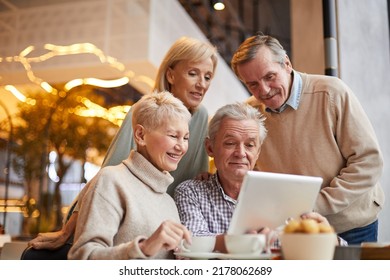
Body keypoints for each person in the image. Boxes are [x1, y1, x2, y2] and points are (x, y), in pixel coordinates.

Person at [28, 36, 218, 251]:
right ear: (171, 74)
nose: (202, 84)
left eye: (208, 77)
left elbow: (197, 173)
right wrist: (67, 231)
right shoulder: (145, 111)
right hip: (132, 225)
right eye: (193, 74)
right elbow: (107, 174)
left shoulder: (201, 115)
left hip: (170, 220)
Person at [230, 34, 385, 244]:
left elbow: (369, 162)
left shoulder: (332, 93)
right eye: (253, 84)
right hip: (294, 228)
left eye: (269, 77)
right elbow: (251, 171)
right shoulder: (250, 112)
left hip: (351, 224)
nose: (264, 90)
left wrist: (315, 205)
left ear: (287, 64)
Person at [174, 102, 340, 253]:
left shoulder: (286, 194)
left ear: (258, 152)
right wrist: (247, 243)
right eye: (230, 143)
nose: (241, 153)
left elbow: (335, 251)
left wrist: (327, 239)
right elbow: (193, 249)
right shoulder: (191, 192)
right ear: (210, 148)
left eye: (250, 145)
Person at [67, 91, 192, 259]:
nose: (182, 147)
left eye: (185, 138)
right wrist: (144, 247)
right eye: (173, 136)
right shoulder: (111, 180)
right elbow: (81, 257)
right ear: (140, 135)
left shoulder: (169, 202)